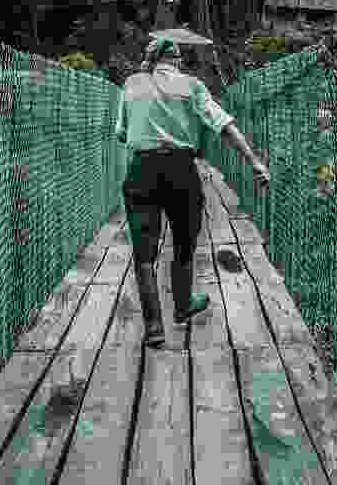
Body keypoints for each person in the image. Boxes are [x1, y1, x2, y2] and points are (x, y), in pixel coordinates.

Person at [115, 36, 270, 348]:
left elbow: (121, 133)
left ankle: (154, 328)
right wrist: (254, 162)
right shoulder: (192, 86)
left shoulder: (132, 85)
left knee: (144, 255)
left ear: (151, 60)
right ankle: (183, 305)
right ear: (177, 61)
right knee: (185, 243)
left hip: (142, 169)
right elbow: (224, 125)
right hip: (180, 170)